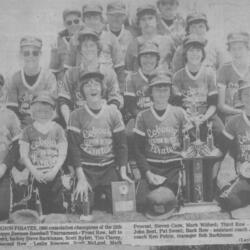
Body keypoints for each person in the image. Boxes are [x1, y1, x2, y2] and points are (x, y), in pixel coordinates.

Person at [68, 71, 131, 217]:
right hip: (87, 169)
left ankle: (101, 193)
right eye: (87, 85)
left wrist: (122, 171)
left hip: (108, 168)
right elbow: (74, 149)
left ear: (102, 89)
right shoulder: (75, 115)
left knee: (121, 207)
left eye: (96, 84)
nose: (92, 88)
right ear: (82, 91)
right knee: (83, 209)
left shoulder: (113, 112)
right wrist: (81, 177)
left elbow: (122, 145)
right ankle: (92, 194)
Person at [134, 73, 192, 219]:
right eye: (157, 89)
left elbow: (189, 143)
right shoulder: (142, 116)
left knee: (167, 199)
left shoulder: (179, 113)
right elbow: (138, 150)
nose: (161, 93)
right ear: (151, 93)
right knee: (141, 203)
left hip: (173, 166)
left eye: (165, 89)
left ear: (170, 92)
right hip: (152, 167)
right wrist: (147, 173)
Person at [58, 28, 123, 126]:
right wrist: (70, 124)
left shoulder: (109, 73)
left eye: (92, 45)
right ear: (80, 49)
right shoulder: (71, 73)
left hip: (102, 124)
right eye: (85, 46)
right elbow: (63, 101)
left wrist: (105, 121)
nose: (89, 49)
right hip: (78, 122)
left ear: (98, 48)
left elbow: (115, 100)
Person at [19, 92, 67, 214]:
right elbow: (24, 155)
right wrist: (34, 172)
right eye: (39, 111)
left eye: (47, 111)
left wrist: (54, 170)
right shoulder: (27, 130)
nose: (43, 114)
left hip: (54, 174)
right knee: (36, 207)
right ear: (33, 112)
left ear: (52, 112)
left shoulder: (57, 129)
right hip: (36, 174)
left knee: (56, 208)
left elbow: (62, 153)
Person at [172, 35, 224, 143]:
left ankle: (214, 160)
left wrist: (204, 118)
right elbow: (177, 105)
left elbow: (213, 104)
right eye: (191, 51)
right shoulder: (178, 76)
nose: (194, 54)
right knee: (181, 136)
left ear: (203, 54)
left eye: (198, 51)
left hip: (207, 115)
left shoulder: (209, 74)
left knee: (221, 132)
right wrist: (189, 118)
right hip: (186, 115)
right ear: (185, 54)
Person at [6, 36, 57, 128]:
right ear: (21, 54)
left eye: (35, 53)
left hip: (44, 124)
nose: (31, 56)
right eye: (26, 53)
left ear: (40, 54)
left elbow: (51, 110)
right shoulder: (15, 78)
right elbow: (11, 110)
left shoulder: (49, 77)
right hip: (20, 126)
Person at [64, 4, 124, 81]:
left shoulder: (111, 38)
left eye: (95, 18)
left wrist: (121, 90)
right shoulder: (75, 39)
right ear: (83, 20)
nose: (92, 22)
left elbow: (119, 67)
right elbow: (68, 67)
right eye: (88, 18)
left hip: (106, 82)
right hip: (83, 82)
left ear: (101, 19)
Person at [216, 80, 250, 211]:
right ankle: (235, 188)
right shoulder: (234, 122)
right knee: (229, 202)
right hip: (245, 175)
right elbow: (221, 150)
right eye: (247, 94)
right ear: (240, 98)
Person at [125, 4, 175, 73]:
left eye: (150, 18)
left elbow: (175, 65)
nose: (147, 22)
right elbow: (129, 69)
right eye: (143, 19)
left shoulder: (167, 42)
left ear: (157, 20)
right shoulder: (133, 44)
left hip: (162, 80)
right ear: (139, 23)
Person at [0, 76, 21, 220]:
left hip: (2, 174)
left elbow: (17, 146)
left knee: (2, 214)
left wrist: (4, 165)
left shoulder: (10, 115)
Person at [217, 32, 250, 123]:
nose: (237, 52)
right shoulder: (225, 70)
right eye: (233, 49)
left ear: (247, 49)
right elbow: (221, 105)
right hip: (232, 116)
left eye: (240, 48)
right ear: (229, 50)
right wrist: (241, 112)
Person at [49, 9, 82, 81]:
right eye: (69, 23)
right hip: (63, 78)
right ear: (64, 24)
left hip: (81, 77)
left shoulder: (86, 37)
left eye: (76, 21)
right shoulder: (59, 40)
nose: (73, 25)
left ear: (80, 21)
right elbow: (54, 68)